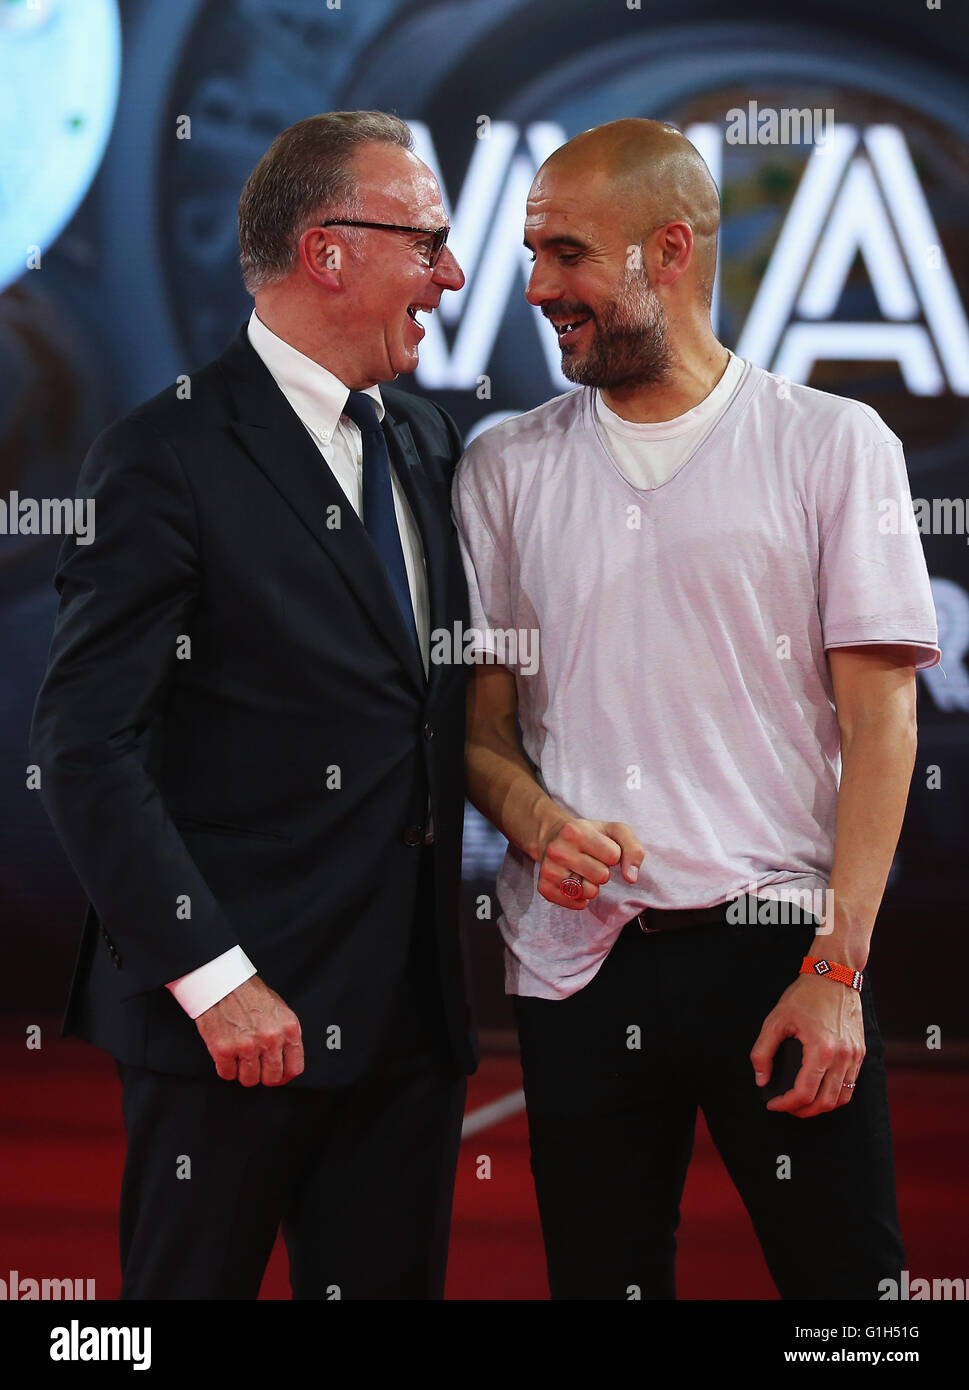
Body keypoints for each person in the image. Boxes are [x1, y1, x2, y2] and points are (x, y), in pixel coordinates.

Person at [453, 117, 939, 1300]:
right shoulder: (502, 467)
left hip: (780, 948)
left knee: (852, 1306)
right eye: (530, 255)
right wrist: (533, 822)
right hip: (577, 965)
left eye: (565, 253)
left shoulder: (834, 444)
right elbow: (479, 731)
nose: (536, 289)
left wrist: (839, 970)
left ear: (665, 252)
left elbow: (885, 726)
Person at [31, 111, 477, 1300]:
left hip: (408, 1027)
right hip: (231, 1027)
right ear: (330, 252)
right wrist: (215, 977)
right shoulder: (163, 453)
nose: (455, 273)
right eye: (427, 240)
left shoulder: (427, 440)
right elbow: (85, 744)